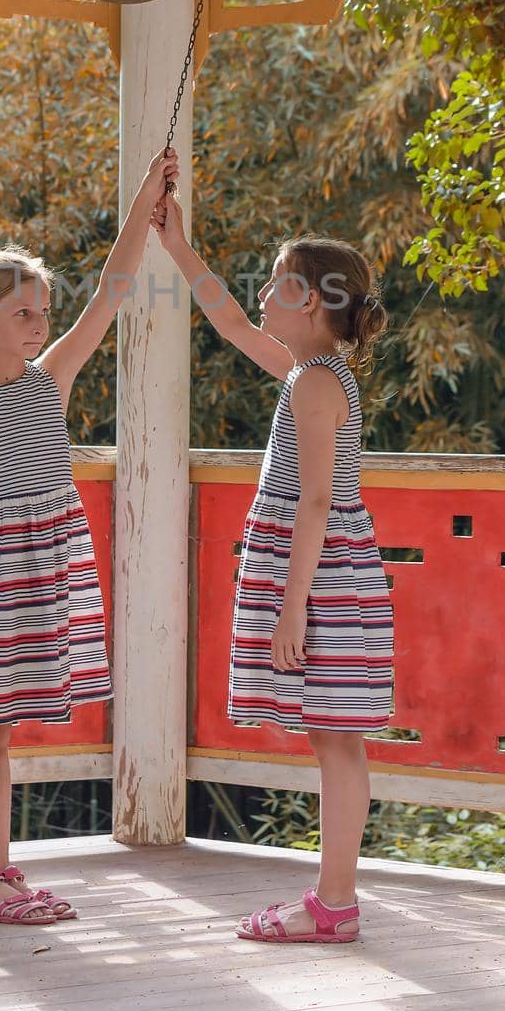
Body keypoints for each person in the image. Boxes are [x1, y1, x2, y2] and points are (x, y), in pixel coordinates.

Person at [0, 146, 179, 925]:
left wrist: (146, 193)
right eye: (24, 313)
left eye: (42, 313)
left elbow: (113, 288)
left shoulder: (50, 379)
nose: (40, 324)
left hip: (32, 574)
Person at [153, 193, 392, 943]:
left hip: (320, 577)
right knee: (335, 739)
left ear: (314, 302)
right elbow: (227, 319)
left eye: (276, 283)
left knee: (338, 741)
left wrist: (294, 610)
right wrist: (177, 246)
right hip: (317, 571)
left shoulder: (319, 382)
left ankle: (334, 906)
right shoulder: (307, 372)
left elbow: (319, 502)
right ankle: (334, 901)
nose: (260, 295)